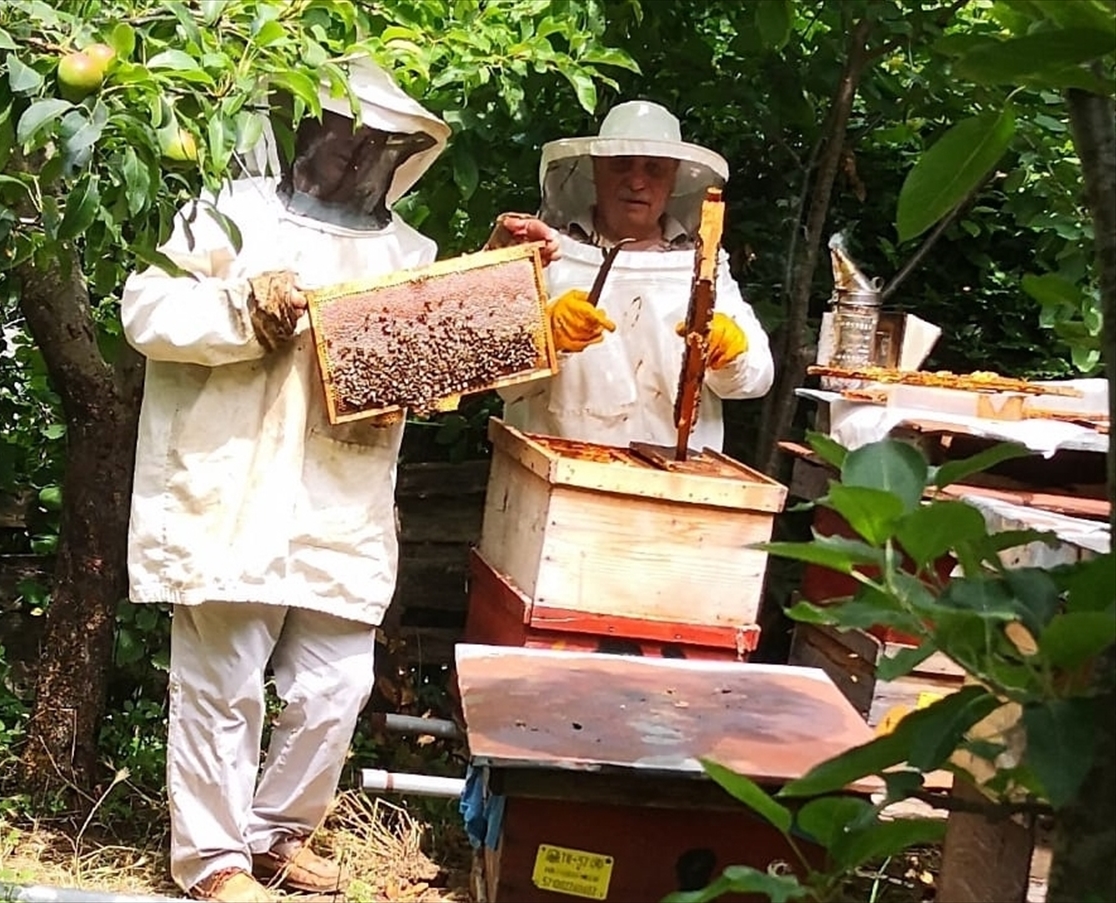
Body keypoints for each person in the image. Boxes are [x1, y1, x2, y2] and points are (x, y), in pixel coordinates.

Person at [120, 58, 449, 903]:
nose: (355, 153)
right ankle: (213, 861)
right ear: (304, 127)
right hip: (230, 478)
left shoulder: (411, 253)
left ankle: (275, 835)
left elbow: (432, 366)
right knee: (223, 683)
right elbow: (145, 312)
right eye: (342, 133)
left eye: (375, 142)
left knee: (337, 683)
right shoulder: (222, 214)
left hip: (344, 491)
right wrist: (243, 307)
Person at [487, 100, 774, 452]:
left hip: (673, 474)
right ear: (596, 170)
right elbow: (501, 382)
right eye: (621, 164)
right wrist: (544, 337)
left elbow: (757, 378)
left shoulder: (703, 265)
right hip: (556, 467)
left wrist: (731, 352)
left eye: (654, 169)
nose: (637, 182)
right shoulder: (548, 254)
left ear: (673, 179)